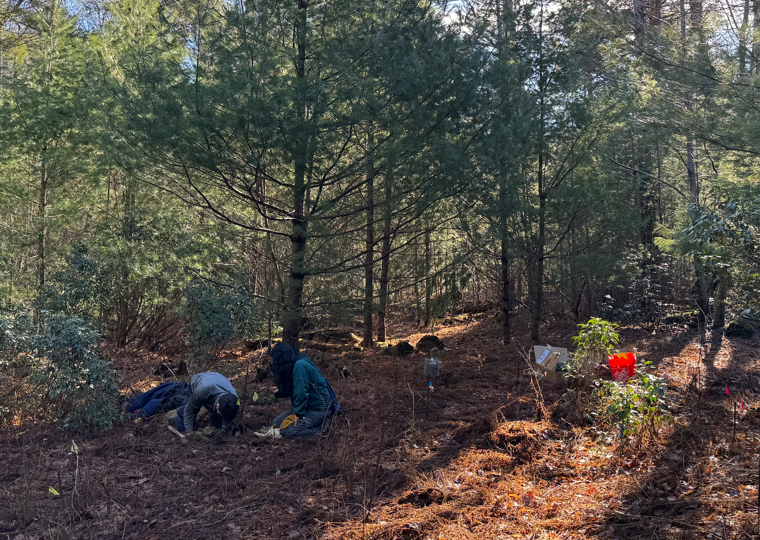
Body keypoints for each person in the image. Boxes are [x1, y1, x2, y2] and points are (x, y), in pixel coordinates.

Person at [266, 342, 337, 438]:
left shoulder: (300, 365)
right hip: (308, 407)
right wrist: (281, 391)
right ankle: (313, 424)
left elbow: (301, 393)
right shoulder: (297, 363)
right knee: (276, 423)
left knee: (287, 432)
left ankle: (321, 429)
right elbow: (298, 388)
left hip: (319, 409)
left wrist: (297, 416)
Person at [172, 372, 240, 433]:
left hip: (216, 378)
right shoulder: (202, 390)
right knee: (183, 426)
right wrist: (190, 433)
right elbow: (189, 410)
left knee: (218, 427)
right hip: (199, 380)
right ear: (218, 405)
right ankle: (174, 418)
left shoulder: (234, 399)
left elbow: (230, 416)